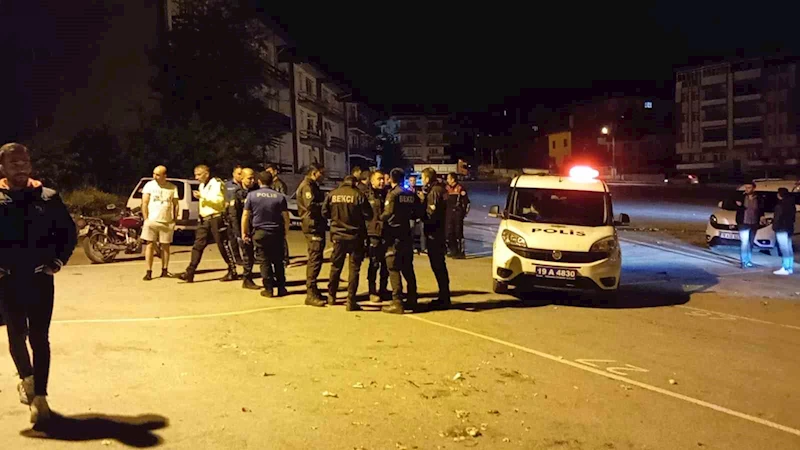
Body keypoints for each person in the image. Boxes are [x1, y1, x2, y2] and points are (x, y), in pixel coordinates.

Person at [0, 143, 77, 425]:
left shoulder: (48, 197)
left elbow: (68, 233)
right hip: (7, 282)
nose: (20, 167)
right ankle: (27, 379)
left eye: (24, 162)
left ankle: (41, 397)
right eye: (13, 163)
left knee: (40, 338)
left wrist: (57, 262)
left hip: (40, 279)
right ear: (2, 168)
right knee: (16, 335)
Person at [176, 165, 238, 282]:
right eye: (195, 175)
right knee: (197, 246)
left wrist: (202, 196)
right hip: (204, 219)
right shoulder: (202, 185)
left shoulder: (216, 183)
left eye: (199, 174)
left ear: (207, 174)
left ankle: (232, 270)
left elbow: (219, 201)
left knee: (222, 245)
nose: (196, 177)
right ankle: (190, 272)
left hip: (216, 218)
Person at [322, 175, 373, 310]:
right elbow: (369, 215)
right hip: (355, 236)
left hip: (338, 236)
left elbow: (325, 213)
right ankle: (351, 300)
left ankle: (331, 296)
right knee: (354, 269)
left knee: (336, 266)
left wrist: (336, 219)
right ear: (354, 183)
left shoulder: (332, 194)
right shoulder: (358, 195)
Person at [242, 171, 290, 297]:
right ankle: (281, 288)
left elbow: (245, 216)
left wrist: (244, 232)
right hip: (276, 232)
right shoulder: (279, 197)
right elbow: (286, 217)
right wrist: (285, 232)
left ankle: (268, 289)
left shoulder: (252, 196)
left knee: (264, 261)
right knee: (278, 261)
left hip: (260, 232)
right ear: (272, 181)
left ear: (259, 181)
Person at [380, 168, 420, 314]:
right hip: (406, 233)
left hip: (394, 233)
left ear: (391, 178)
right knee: (408, 266)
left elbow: (388, 213)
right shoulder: (410, 193)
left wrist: (378, 220)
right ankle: (412, 298)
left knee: (393, 266)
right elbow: (417, 212)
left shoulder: (393, 194)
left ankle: (397, 301)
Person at [296, 163, 327, 307]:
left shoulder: (313, 185)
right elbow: (311, 205)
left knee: (318, 257)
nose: (323, 176)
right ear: (314, 173)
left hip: (317, 224)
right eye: (322, 173)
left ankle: (314, 289)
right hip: (312, 224)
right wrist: (326, 203)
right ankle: (310, 293)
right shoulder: (307, 186)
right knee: (315, 258)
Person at [419, 167, 451, 308]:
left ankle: (444, 297)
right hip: (440, 231)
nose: (422, 180)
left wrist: (421, 208)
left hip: (435, 233)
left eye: (422, 178)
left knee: (438, 265)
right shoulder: (441, 189)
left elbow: (430, 214)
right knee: (440, 265)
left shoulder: (434, 192)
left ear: (427, 178)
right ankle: (444, 295)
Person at [141, 165, 179, 280]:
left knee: (165, 246)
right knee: (149, 245)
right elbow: (144, 202)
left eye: (158, 174)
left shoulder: (172, 187)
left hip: (166, 221)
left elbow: (176, 204)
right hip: (152, 220)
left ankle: (165, 270)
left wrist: (174, 219)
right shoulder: (149, 185)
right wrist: (146, 218)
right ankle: (149, 271)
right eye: (154, 174)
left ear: (164, 176)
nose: (155, 176)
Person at [365, 170, 389, 302]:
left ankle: (383, 289)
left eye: (383, 179)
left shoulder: (387, 194)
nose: (382, 181)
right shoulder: (366, 195)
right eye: (379, 179)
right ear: (372, 180)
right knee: (374, 263)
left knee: (386, 263)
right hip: (373, 233)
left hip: (386, 233)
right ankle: (372, 290)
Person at [237, 169, 260, 289]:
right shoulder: (237, 194)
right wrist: (240, 233)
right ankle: (247, 279)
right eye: (249, 178)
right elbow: (234, 215)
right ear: (242, 178)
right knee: (248, 255)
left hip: (256, 227)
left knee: (259, 255)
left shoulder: (257, 191)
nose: (252, 180)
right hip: (244, 229)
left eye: (253, 178)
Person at [735, 181, 764, 269]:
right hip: (743, 223)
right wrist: (738, 205)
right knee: (744, 242)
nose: (747, 189)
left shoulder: (758, 198)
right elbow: (731, 204)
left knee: (750, 243)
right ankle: (743, 261)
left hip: (754, 223)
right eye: (746, 187)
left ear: (754, 188)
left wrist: (762, 216)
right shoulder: (741, 197)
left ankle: (748, 260)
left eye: (749, 187)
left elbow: (761, 209)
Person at [265, 163, 290, 266]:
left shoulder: (280, 184)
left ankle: (285, 258)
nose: (268, 174)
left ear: (275, 172)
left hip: (278, 214)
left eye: (270, 171)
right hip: (270, 213)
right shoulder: (269, 184)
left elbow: (283, 199)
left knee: (281, 237)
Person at [445, 172, 470, 259]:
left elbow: (466, 202)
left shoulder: (460, 188)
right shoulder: (447, 188)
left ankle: (461, 252)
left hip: (457, 213)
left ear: (453, 179)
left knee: (458, 233)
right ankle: (453, 250)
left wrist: (463, 213)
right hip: (449, 213)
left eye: (448, 178)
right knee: (449, 233)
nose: (447, 180)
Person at [224, 165, 245, 265]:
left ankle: (248, 256)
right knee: (233, 238)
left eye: (242, 174)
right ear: (233, 174)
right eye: (239, 173)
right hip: (231, 215)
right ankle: (237, 258)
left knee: (244, 236)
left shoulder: (245, 184)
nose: (241, 176)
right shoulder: (227, 185)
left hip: (243, 214)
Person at [772, 187, 795, 275]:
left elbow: (777, 218)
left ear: (779, 195)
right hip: (789, 228)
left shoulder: (780, 206)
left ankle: (785, 267)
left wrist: (774, 227)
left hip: (781, 228)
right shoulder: (791, 205)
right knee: (789, 248)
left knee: (784, 249)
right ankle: (790, 267)